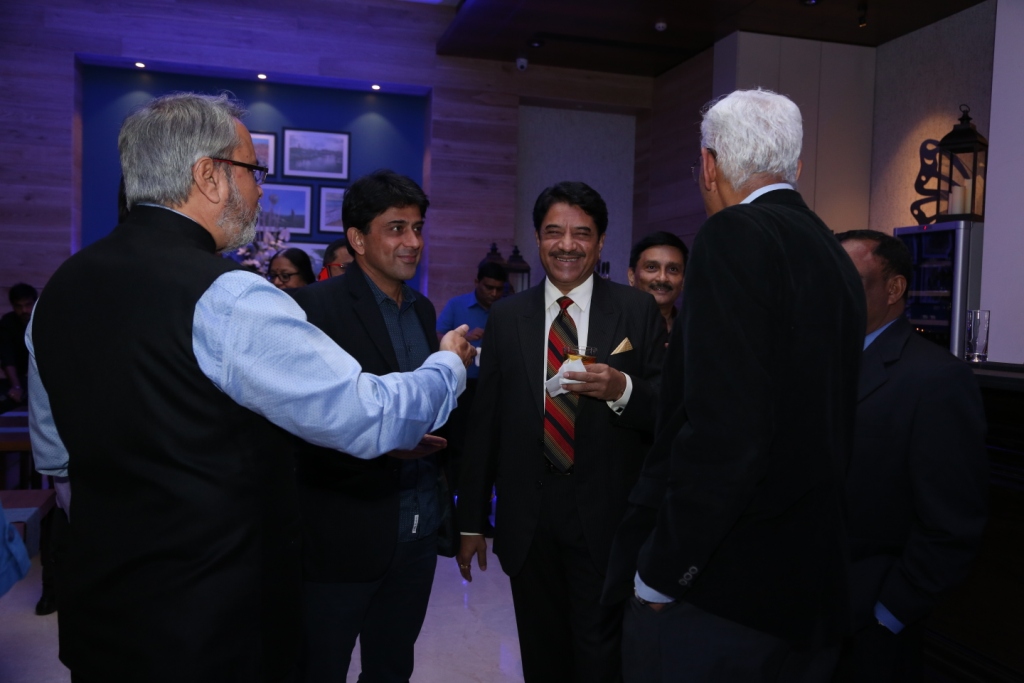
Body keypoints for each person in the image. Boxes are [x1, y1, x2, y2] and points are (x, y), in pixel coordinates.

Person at [27, 92, 474, 683]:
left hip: (101, 611)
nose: (260, 191)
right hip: (213, 620)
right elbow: (370, 417)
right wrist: (448, 367)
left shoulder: (59, 288)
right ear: (209, 176)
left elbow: (55, 458)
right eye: (252, 171)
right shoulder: (229, 296)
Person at [604, 89, 866, 682]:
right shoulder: (834, 254)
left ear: (709, 165)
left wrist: (664, 571)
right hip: (806, 588)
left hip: (723, 591)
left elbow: (726, 431)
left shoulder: (733, 235)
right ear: (796, 166)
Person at [457, 181, 667, 683]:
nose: (566, 245)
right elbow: (486, 424)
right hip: (528, 521)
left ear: (601, 241)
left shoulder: (636, 310)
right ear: (537, 237)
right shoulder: (508, 316)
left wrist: (621, 387)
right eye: (554, 232)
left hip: (608, 518)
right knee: (542, 655)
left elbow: (668, 409)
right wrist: (470, 523)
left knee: (600, 657)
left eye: (581, 234)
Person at [289, 170, 459, 683]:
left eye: (418, 228)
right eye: (396, 228)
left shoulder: (423, 310)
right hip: (342, 535)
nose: (413, 242)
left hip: (416, 532)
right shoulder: (313, 308)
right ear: (358, 239)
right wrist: (382, 445)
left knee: (391, 668)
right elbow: (298, 426)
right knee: (320, 669)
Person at [832, 230, 988, 683]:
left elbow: (952, 521)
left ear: (894, 288)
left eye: (849, 280)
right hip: (804, 613)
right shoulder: (821, 362)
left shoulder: (936, 379)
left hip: (870, 622)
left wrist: (891, 613)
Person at [435, 261, 507, 519]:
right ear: (477, 282)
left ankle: (483, 512)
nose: (494, 294)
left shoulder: (508, 309)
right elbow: (437, 337)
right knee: (458, 447)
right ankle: (454, 513)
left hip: (497, 388)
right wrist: (464, 339)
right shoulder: (457, 305)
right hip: (462, 388)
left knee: (490, 449)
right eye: (489, 287)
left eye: (499, 289)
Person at [626, 231, 688, 333]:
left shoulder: (692, 331)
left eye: (673, 269)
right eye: (651, 267)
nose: (662, 278)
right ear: (631, 276)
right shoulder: (613, 325)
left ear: (683, 280)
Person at [0, 283, 37, 413]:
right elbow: (7, 357)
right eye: (18, 306)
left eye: (28, 305)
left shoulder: (44, 321)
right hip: (19, 378)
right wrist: (16, 386)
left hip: (42, 378)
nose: (24, 310)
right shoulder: (8, 322)